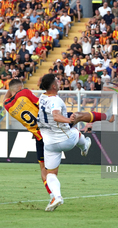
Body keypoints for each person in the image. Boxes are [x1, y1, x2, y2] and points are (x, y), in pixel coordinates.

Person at [4, 78, 114, 208]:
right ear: (21, 87)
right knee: (79, 116)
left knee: (45, 172)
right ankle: (106, 119)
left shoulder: (7, 105)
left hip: (40, 137)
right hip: (50, 125)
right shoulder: (25, 93)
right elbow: (42, 105)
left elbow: (8, 95)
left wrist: (12, 88)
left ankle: (53, 196)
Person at [37, 74, 93, 212]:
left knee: (50, 173)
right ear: (54, 86)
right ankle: (85, 146)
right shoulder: (55, 100)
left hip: (49, 144)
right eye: (57, 80)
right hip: (65, 139)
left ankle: (57, 197)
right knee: (76, 131)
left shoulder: (42, 98)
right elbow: (56, 115)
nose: (59, 81)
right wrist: (69, 120)